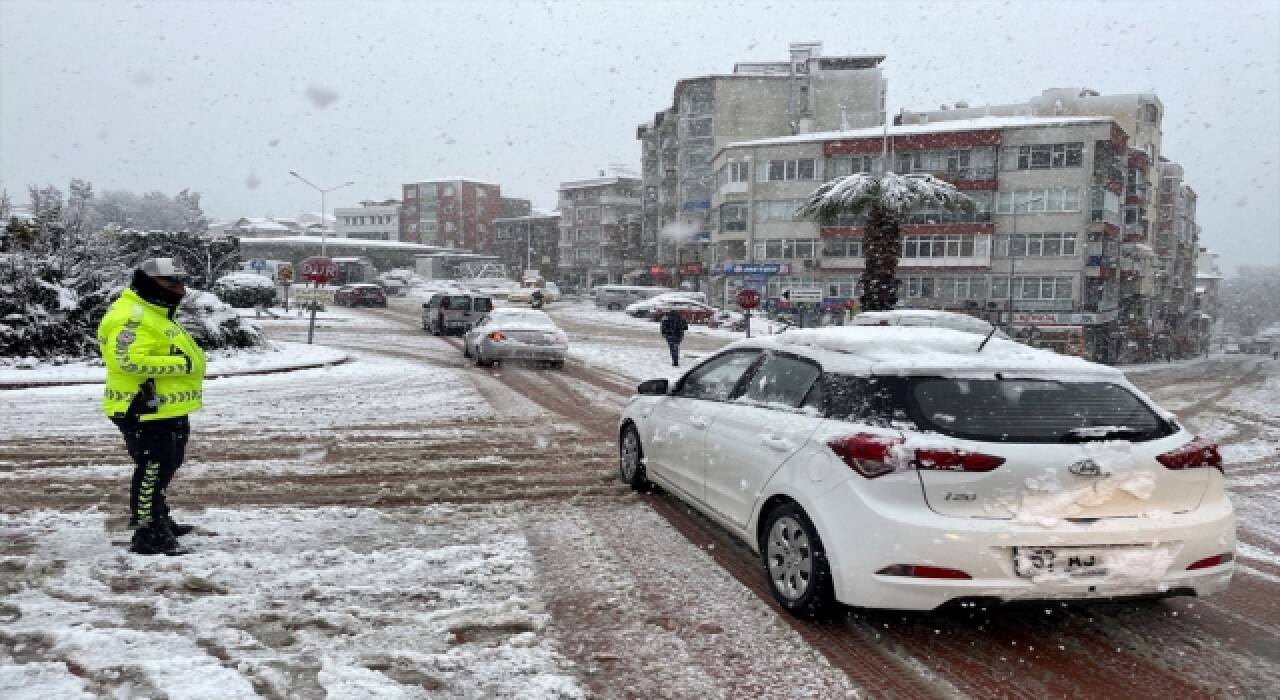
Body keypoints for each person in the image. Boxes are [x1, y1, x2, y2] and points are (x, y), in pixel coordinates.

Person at [97, 258, 207, 556]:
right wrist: (182, 363)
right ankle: (148, 532)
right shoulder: (131, 317)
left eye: (181, 283)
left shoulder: (155, 312)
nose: (181, 290)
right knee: (152, 469)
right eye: (172, 283)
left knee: (166, 465)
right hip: (143, 408)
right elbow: (126, 360)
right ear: (149, 283)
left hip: (163, 408)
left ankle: (159, 517)